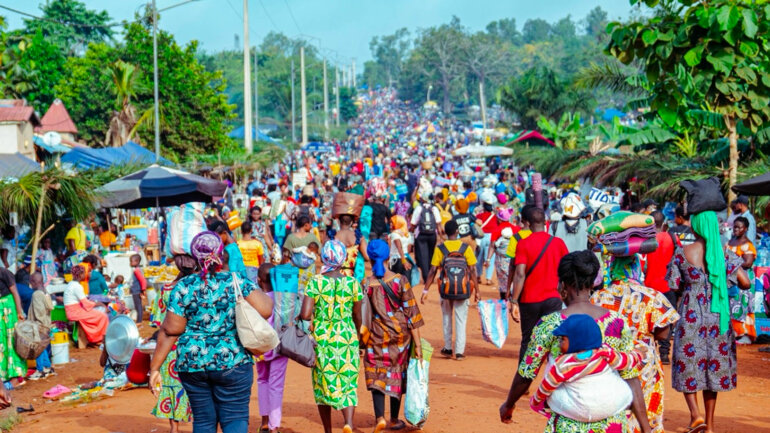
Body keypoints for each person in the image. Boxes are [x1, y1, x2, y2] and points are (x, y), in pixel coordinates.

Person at [500, 250, 652, 433]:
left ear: (562, 285)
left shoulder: (549, 324)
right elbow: (630, 376)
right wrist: (646, 428)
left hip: (568, 423)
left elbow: (527, 373)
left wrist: (509, 404)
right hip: (611, 422)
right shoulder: (617, 321)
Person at [150, 231, 273, 433]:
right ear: (221, 253)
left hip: (193, 364)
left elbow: (171, 330)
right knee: (234, 417)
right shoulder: (236, 282)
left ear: (194, 257)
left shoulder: (183, 286)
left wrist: (155, 368)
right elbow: (266, 309)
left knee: (204, 421)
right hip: (234, 361)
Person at [667, 205, 751, 433]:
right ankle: (710, 426)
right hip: (717, 318)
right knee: (712, 369)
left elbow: (673, 284)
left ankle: (695, 415)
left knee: (688, 365)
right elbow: (746, 282)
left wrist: (691, 285)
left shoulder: (682, 252)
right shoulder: (723, 253)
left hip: (690, 314)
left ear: (696, 227)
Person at [591, 249, 680, 433]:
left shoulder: (598, 297)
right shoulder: (652, 296)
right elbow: (663, 335)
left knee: (613, 414)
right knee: (646, 411)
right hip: (643, 363)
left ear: (613, 267)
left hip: (610, 361)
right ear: (636, 267)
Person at [529, 314, 647, 418]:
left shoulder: (563, 364)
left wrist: (535, 401)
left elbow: (546, 386)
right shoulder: (605, 352)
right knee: (624, 389)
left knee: (552, 395)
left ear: (577, 341)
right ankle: (624, 410)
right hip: (611, 405)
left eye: (563, 339)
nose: (559, 343)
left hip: (579, 411)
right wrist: (638, 354)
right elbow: (626, 361)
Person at [300, 240, 363, 433]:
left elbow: (305, 314)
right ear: (343, 258)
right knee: (348, 383)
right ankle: (348, 423)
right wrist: (358, 340)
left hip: (323, 340)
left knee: (323, 384)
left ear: (323, 258)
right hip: (347, 338)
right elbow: (358, 316)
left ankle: (328, 430)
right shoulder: (352, 283)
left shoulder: (316, 282)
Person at [363, 239, 424, 432]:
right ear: (389, 256)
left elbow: (361, 314)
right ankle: (394, 419)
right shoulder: (400, 280)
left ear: (370, 259)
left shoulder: (366, 283)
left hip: (375, 335)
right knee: (397, 372)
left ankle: (379, 417)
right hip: (400, 336)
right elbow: (411, 313)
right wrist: (418, 345)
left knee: (376, 373)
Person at [508, 206, 568, 362]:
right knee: (553, 340)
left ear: (527, 223)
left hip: (529, 300)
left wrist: (514, 300)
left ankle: (524, 382)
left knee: (527, 340)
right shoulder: (558, 243)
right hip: (553, 298)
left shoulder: (523, 244)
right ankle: (551, 379)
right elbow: (566, 270)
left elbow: (519, 273)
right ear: (546, 222)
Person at [420, 220, 479, 360]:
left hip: (445, 289)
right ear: (457, 232)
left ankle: (447, 348)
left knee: (446, 317)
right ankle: (459, 352)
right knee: (461, 319)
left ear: (445, 232)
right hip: (463, 289)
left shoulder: (440, 248)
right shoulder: (465, 248)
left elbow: (433, 270)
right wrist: (477, 291)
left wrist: (425, 290)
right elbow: (472, 270)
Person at [150, 254, 195, 433]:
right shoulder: (196, 288)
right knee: (195, 388)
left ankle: (174, 428)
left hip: (170, 346)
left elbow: (160, 322)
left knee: (170, 385)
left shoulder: (167, 289)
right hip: (192, 346)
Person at [257, 262, 297, 433]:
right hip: (281, 346)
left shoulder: (257, 299)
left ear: (259, 281)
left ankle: (264, 422)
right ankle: (274, 426)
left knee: (262, 380)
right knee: (276, 385)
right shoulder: (285, 299)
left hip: (260, 348)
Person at [643, 211, 678, 364]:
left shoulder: (645, 240)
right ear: (663, 223)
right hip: (667, 285)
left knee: (647, 321)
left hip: (649, 286)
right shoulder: (672, 237)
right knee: (666, 321)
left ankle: (647, 353)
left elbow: (643, 265)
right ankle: (664, 353)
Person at [726, 216, 757, 344]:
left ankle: (744, 334)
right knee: (731, 304)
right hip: (731, 279)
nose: (736, 229)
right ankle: (733, 332)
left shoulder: (747, 245)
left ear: (746, 229)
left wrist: (731, 263)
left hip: (744, 279)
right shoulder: (730, 241)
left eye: (739, 227)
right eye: (735, 227)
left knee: (743, 305)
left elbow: (748, 263)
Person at [63, 265, 109, 344]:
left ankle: (98, 337)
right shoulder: (77, 286)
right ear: (81, 275)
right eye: (85, 273)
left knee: (99, 314)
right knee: (102, 316)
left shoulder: (71, 284)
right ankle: (100, 338)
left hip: (73, 311)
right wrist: (99, 304)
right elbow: (86, 304)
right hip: (75, 312)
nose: (86, 275)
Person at [0, 266, 26, 386]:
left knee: (11, 341)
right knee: (2, 343)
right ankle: (4, 375)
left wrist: (19, 312)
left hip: (9, 309)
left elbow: (15, 292)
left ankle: (15, 376)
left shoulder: (3, 272)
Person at [27, 272, 54, 380]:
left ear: (34, 282)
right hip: (46, 325)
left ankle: (40, 370)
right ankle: (47, 367)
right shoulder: (45, 292)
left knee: (37, 348)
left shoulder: (36, 294)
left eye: (31, 281)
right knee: (42, 347)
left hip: (40, 326)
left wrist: (37, 326)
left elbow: (39, 313)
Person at [410, 196, 443, 284]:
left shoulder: (419, 208)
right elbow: (439, 224)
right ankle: (431, 276)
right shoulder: (434, 208)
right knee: (431, 255)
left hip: (421, 234)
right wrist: (441, 237)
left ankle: (426, 277)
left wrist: (411, 232)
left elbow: (413, 223)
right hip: (433, 235)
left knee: (423, 256)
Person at [284, 216, 321, 294]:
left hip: (295, 270)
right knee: (308, 292)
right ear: (306, 225)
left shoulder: (291, 237)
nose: (311, 226)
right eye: (310, 224)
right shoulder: (312, 237)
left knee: (295, 293)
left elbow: (286, 255)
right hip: (310, 270)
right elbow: (320, 251)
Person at [486, 208, 516, 300]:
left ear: (499, 219)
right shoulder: (515, 229)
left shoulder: (496, 230)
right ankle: (514, 295)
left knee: (503, 279)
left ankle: (504, 297)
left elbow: (492, 246)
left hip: (501, 259)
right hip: (513, 258)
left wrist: (488, 259)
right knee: (513, 276)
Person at [334, 214, 368, 282]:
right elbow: (367, 256)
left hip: (335, 275)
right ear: (352, 222)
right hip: (353, 276)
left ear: (339, 221)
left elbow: (323, 258)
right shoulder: (358, 236)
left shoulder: (333, 236)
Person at [129, 254, 147, 324]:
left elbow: (142, 280)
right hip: (136, 290)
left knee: (138, 306)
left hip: (136, 290)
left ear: (137, 261)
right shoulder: (136, 270)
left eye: (131, 261)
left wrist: (143, 289)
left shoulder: (137, 271)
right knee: (138, 305)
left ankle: (139, 321)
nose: (130, 263)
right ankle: (139, 320)